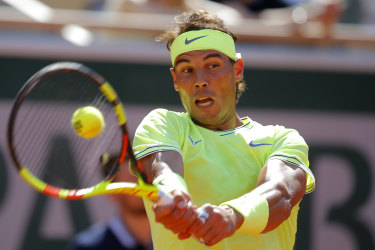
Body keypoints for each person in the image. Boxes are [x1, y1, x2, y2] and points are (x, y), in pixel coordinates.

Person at [131, 9, 315, 249]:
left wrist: (232, 215)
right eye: (187, 70)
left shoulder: (281, 139)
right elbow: (162, 168)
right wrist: (172, 191)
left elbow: (282, 194)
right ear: (175, 80)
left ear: (237, 69)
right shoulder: (162, 124)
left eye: (212, 65)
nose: (200, 80)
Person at [66, 155, 153, 250]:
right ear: (113, 194)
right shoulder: (86, 247)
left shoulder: (170, 237)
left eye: (147, 177)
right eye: (133, 179)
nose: (145, 186)